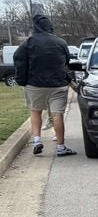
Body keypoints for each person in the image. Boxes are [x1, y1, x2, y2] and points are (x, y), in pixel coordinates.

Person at [13, 14, 76, 156]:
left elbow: (19, 61)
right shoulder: (60, 42)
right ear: (50, 26)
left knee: (35, 111)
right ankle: (61, 147)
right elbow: (66, 61)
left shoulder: (28, 43)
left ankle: (37, 140)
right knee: (57, 114)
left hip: (35, 84)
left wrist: (21, 79)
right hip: (57, 84)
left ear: (35, 27)